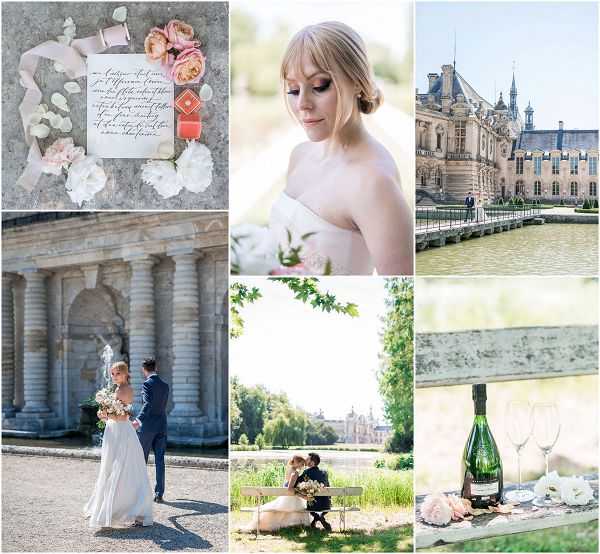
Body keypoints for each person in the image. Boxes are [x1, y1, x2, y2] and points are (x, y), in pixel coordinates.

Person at [267, 21, 413, 275]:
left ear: (356, 81)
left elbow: (402, 291)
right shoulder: (299, 156)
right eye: (293, 89)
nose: (302, 103)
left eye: (319, 86)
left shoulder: (374, 181)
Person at [84, 362, 153, 528]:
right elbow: (116, 413)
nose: (114, 376)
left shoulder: (126, 390)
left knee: (123, 468)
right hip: (113, 431)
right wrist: (104, 415)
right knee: (109, 467)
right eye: (113, 374)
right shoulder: (116, 389)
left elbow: (123, 417)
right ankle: (106, 507)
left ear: (125, 374)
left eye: (118, 373)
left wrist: (107, 414)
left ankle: (129, 509)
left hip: (122, 432)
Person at [133, 358, 169, 503]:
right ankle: (159, 493)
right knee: (160, 461)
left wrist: (138, 420)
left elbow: (147, 404)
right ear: (156, 367)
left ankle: (141, 492)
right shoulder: (165, 385)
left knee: (142, 460)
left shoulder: (147, 384)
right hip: (162, 425)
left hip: (147, 427)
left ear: (144, 369)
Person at [243, 455, 311, 532]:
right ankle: (292, 525)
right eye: (302, 464)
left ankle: (291, 525)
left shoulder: (290, 469)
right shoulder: (295, 473)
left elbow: (287, 484)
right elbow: (290, 488)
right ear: (297, 463)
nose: (303, 466)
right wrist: (302, 495)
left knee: (285, 510)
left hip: (285, 494)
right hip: (290, 495)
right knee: (295, 508)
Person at [296, 452, 332, 531]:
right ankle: (320, 518)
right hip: (326, 504)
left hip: (313, 505)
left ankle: (317, 517)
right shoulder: (324, 473)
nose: (305, 460)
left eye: (307, 459)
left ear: (312, 462)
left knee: (311, 503)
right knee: (321, 500)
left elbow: (296, 483)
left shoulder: (307, 472)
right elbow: (328, 486)